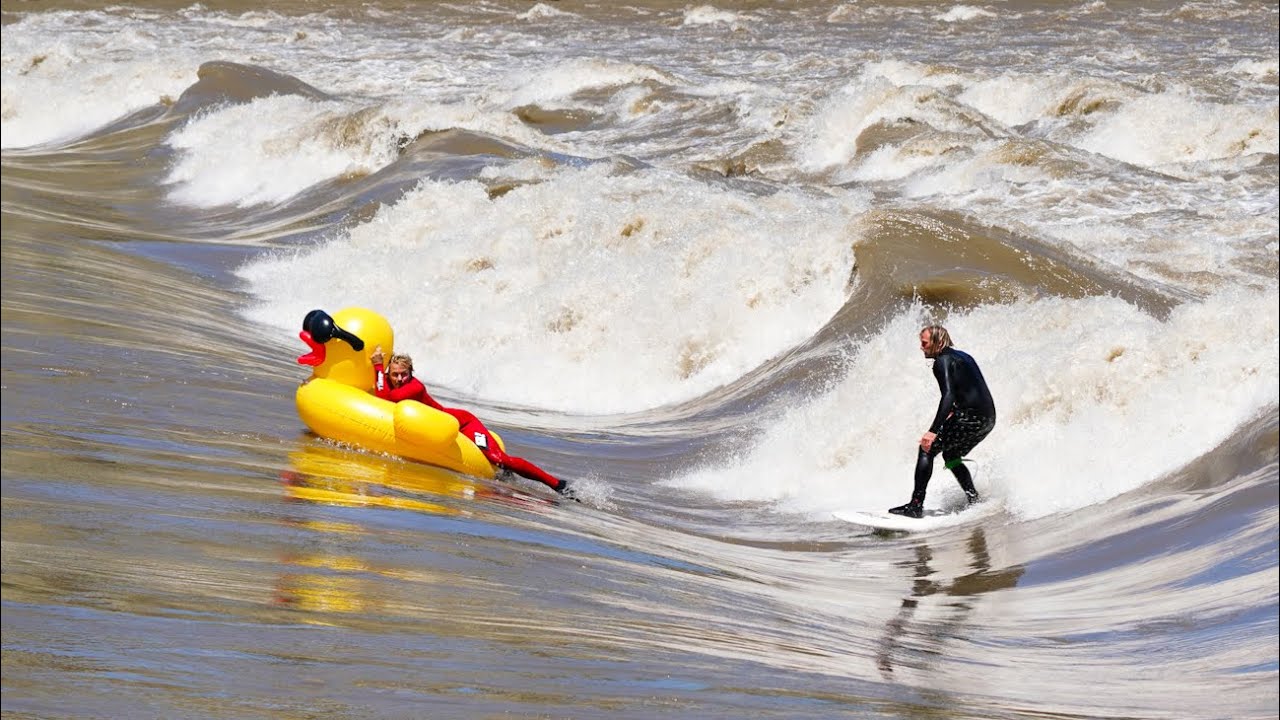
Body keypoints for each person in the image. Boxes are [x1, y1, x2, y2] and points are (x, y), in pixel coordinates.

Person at [370, 346, 573, 497]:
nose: (399, 379)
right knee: (499, 463)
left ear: (411, 373)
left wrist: (378, 365)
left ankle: (557, 484)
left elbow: (383, 399)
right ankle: (510, 475)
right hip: (442, 427)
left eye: (404, 374)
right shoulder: (391, 382)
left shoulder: (415, 387)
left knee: (498, 458)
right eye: (395, 375)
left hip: (463, 424)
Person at [889, 325, 996, 519]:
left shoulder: (942, 361)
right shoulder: (964, 356)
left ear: (938, 343)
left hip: (970, 417)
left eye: (924, 343)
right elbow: (971, 388)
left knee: (926, 449)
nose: (921, 347)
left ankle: (915, 505)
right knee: (951, 455)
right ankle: (973, 498)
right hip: (987, 418)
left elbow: (948, 395)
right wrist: (955, 411)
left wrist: (933, 431)